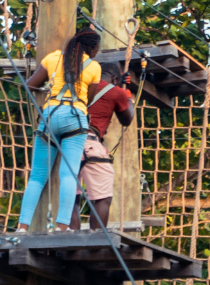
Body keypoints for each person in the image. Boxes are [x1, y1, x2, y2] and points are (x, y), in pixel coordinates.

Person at [14, 26, 103, 233]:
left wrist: (49, 86)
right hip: (75, 118)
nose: (96, 53)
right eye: (96, 49)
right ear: (91, 48)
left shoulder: (53, 58)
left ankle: (22, 227)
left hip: (50, 115)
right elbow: (88, 99)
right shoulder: (94, 67)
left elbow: (29, 85)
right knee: (69, 175)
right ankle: (62, 226)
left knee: (37, 176)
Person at [73, 69, 136, 229]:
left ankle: (70, 237)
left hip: (68, 142)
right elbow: (127, 119)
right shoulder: (116, 92)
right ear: (114, 79)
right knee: (103, 197)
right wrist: (127, 95)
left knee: (73, 197)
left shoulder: (81, 86)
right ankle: (96, 238)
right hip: (90, 143)